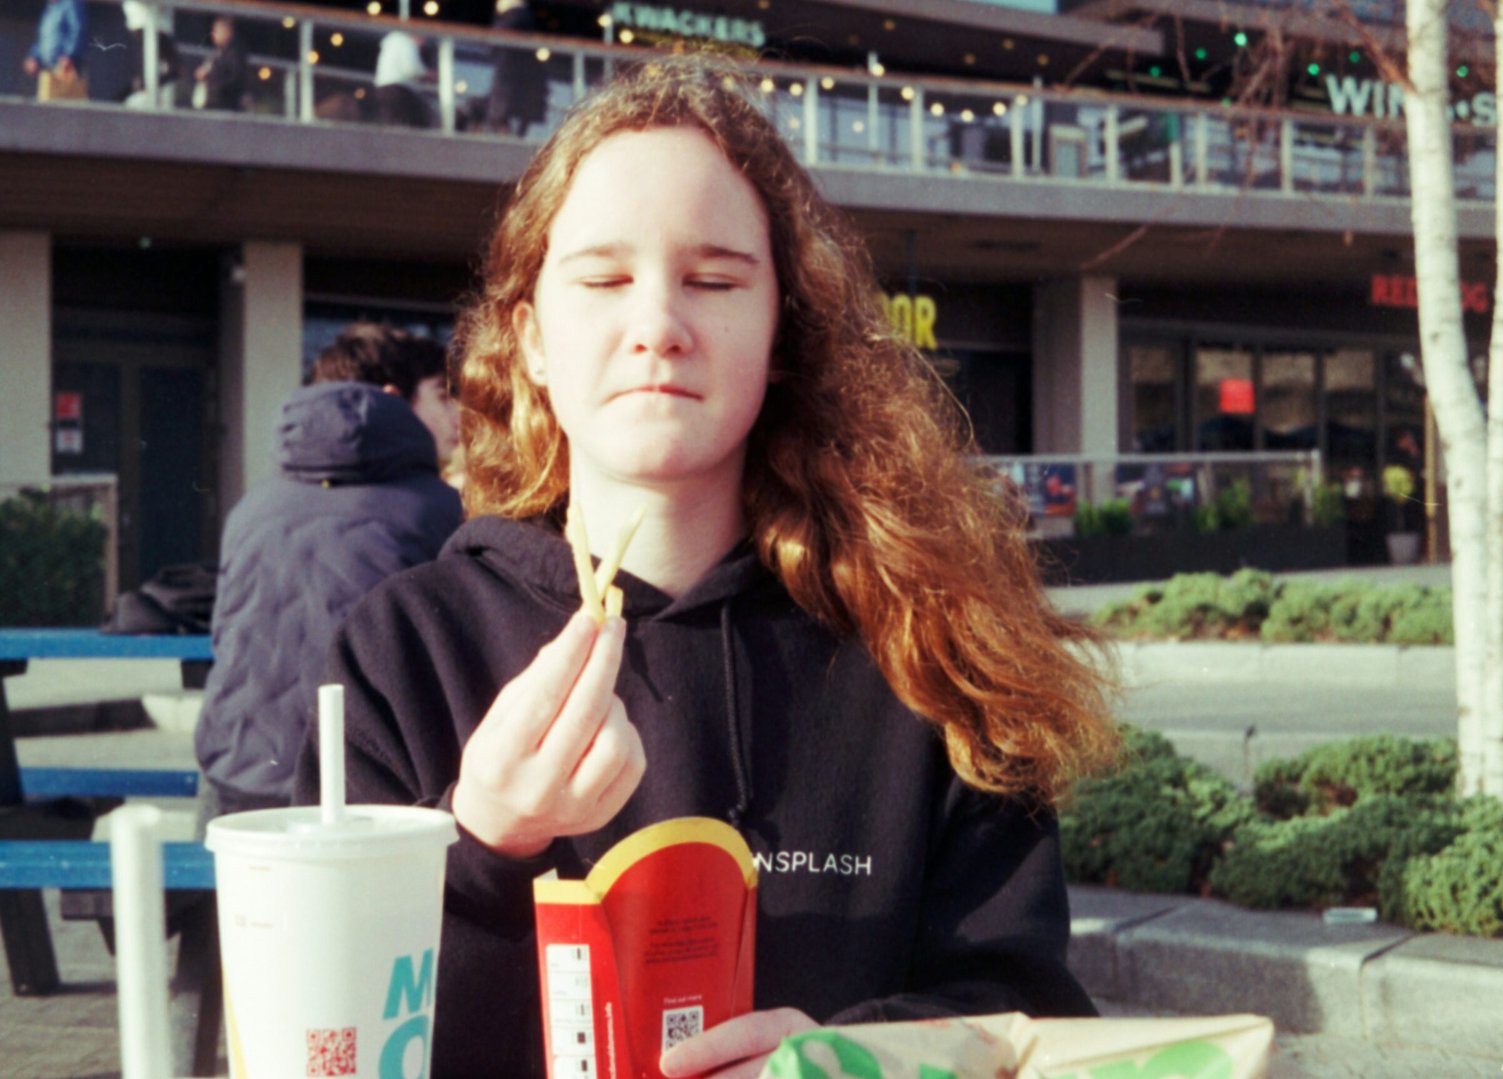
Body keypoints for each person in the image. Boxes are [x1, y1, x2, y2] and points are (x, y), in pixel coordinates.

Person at [294, 57, 1118, 1078]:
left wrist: (855, 1057)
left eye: (715, 280)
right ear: (532, 337)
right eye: (601, 279)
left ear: (780, 333)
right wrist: (478, 850)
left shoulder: (926, 643)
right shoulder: (400, 649)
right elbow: (325, 1036)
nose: (658, 328)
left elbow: (1023, 1000)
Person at [195, 324, 462, 818]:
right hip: (363, 794)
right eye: (442, 396)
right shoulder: (439, 511)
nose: (457, 416)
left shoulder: (254, 505)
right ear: (387, 400)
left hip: (235, 776)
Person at [485, 0, 548, 136]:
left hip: (510, 81)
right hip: (518, 82)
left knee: (502, 115)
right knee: (514, 118)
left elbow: (493, 44)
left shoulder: (513, 17)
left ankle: (508, 137)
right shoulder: (524, 19)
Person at [23, 0, 88, 102]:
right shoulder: (50, 8)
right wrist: (34, 56)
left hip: (67, 69)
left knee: (67, 109)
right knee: (46, 108)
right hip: (50, 70)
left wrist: (69, 55)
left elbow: (77, 29)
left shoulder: (71, 3)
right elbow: (44, 38)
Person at [373, 28, 433, 128]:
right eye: (422, 39)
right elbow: (412, 69)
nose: (422, 44)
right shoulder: (407, 43)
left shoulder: (392, 44)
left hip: (383, 88)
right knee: (418, 121)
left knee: (393, 122)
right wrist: (431, 75)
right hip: (399, 90)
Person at [192, 15, 248, 112]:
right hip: (213, 106)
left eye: (217, 31)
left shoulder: (234, 54)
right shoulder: (219, 53)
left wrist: (209, 78)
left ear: (228, 32)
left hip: (223, 108)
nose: (213, 35)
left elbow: (234, 79)